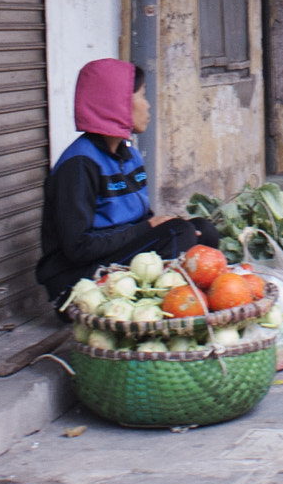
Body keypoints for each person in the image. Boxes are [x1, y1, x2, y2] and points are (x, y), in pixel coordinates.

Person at [35, 59, 220, 308]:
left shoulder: (129, 154)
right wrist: (147, 229)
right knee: (178, 233)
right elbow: (78, 248)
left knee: (201, 229)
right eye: (142, 96)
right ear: (117, 103)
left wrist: (155, 226)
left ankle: (193, 303)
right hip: (77, 282)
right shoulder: (79, 165)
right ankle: (163, 307)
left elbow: (141, 221)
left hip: (116, 258)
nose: (148, 105)